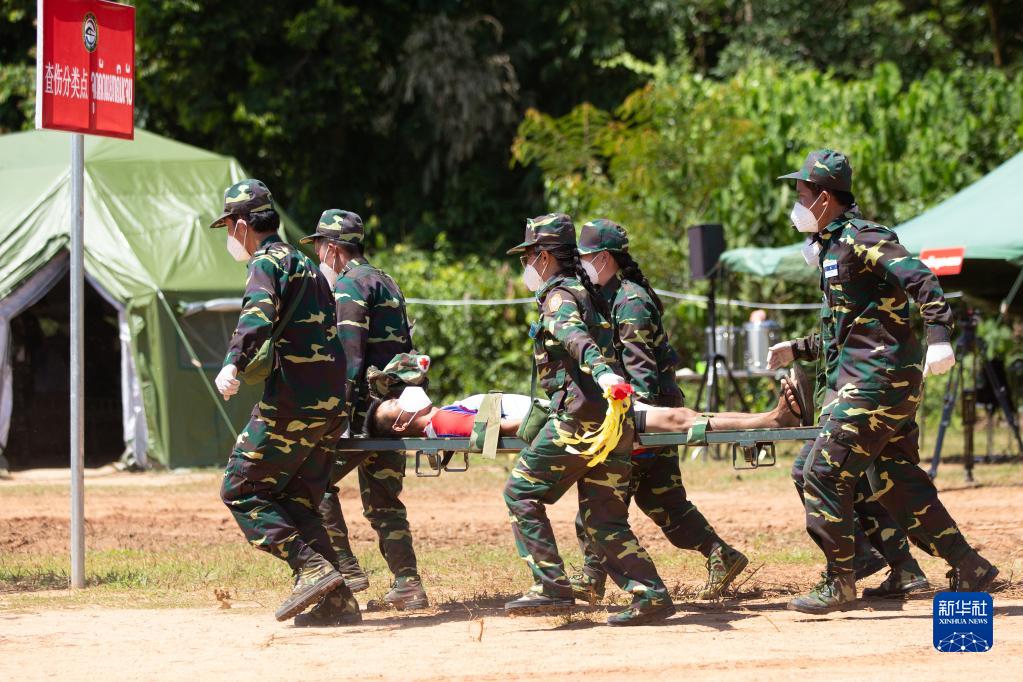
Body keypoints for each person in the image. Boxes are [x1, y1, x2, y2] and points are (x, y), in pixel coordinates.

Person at [773, 149, 998, 613]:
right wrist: (798, 349)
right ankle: (966, 565)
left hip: (876, 382)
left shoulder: (862, 238)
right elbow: (850, 328)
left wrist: (939, 336)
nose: (795, 204)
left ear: (824, 198)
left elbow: (921, 279)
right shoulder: (832, 247)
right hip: (868, 378)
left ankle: (842, 579)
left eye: (801, 194)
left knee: (819, 471)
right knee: (896, 481)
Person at [502, 212, 674, 626]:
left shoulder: (560, 296)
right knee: (603, 518)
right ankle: (650, 594)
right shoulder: (590, 291)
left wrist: (601, 371)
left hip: (581, 422)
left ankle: (550, 585)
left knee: (521, 492)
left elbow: (573, 337)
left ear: (544, 257)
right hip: (613, 421)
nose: (526, 265)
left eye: (528, 256)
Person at [572, 218, 749, 602]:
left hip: (648, 418)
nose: (581, 265)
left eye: (585, 257)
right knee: (663, 500)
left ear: (604, 258)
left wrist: (638, 428)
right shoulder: (615, 296)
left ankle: (590, 579)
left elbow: (641, 375)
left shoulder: (629, 301)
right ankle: (722, 555)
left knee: (599, 500)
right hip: (653, 417)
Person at [210, 180, 359, 626]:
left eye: (228, 228)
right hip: (332, 403)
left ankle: (310, 568)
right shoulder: (305, 262)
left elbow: (257, 313)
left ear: (240, 225)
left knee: (240, 489)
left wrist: (233, 363)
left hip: (293, 400)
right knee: (296, 498)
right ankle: (339, 602)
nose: (229, 237)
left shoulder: (266, 262)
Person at [302, 210, 429, 611]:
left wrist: (336, 414)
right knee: (384, 501)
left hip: (365, 415)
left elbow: (350, 358)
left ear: (333, 247)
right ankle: (407, 584)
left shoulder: (348, 286)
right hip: (396, 409)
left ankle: (344, 568)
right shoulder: (385, 280)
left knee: (311, 481)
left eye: (320, 246)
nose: (320, 254)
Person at [363, 379, 804, 439]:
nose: (400, 396)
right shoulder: (439, 420)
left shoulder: (441, 416)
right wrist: (560, 420)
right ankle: (770, 420)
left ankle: (769, 418)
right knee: (675, 419)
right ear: (402, 421)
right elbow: (501, 427)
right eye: (393, 404)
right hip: (574, 417)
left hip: (570, 411)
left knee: (675, 418)